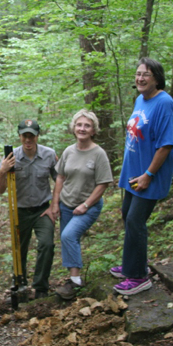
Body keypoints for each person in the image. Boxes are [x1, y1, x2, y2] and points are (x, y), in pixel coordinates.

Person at [111, 57, 173, 295]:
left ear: (157, 78)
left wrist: (148, 174)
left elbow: (165, 145)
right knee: (127, 215)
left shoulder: (164, 103)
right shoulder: (141, 99)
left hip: (149, 176)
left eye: (146, 74)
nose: (140, 78)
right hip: (133, 173)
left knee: (135, 221)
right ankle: (132, 264)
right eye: (138, 74)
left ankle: (139, 276)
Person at [50, 110, 113, 300]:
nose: (82, 129)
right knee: (67, 239)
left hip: (88, 206)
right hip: (66, 204)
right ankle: (73, 279)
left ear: (93, 130)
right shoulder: (69, 151)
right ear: (73, 127)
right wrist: (55, 203)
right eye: (79, 125)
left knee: (69, 235)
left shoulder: (98, 154)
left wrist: (86, 205)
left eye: (87, 125)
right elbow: (60, 177)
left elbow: (103, 183)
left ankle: (76, 283)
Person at [0, 120, 57, 299]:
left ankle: (41, 287)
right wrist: (3, 171)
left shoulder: (49, 155)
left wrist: (55, 205)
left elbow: (60, 180)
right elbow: (0, 189)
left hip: (42, 210)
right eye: (25, 135)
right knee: (18, 249)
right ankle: (19, 284)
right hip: (19, 211)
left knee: (47, 244)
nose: (28, 139)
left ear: (37, 136)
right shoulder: (10, 157)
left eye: (32, 135)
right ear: (20, 136)